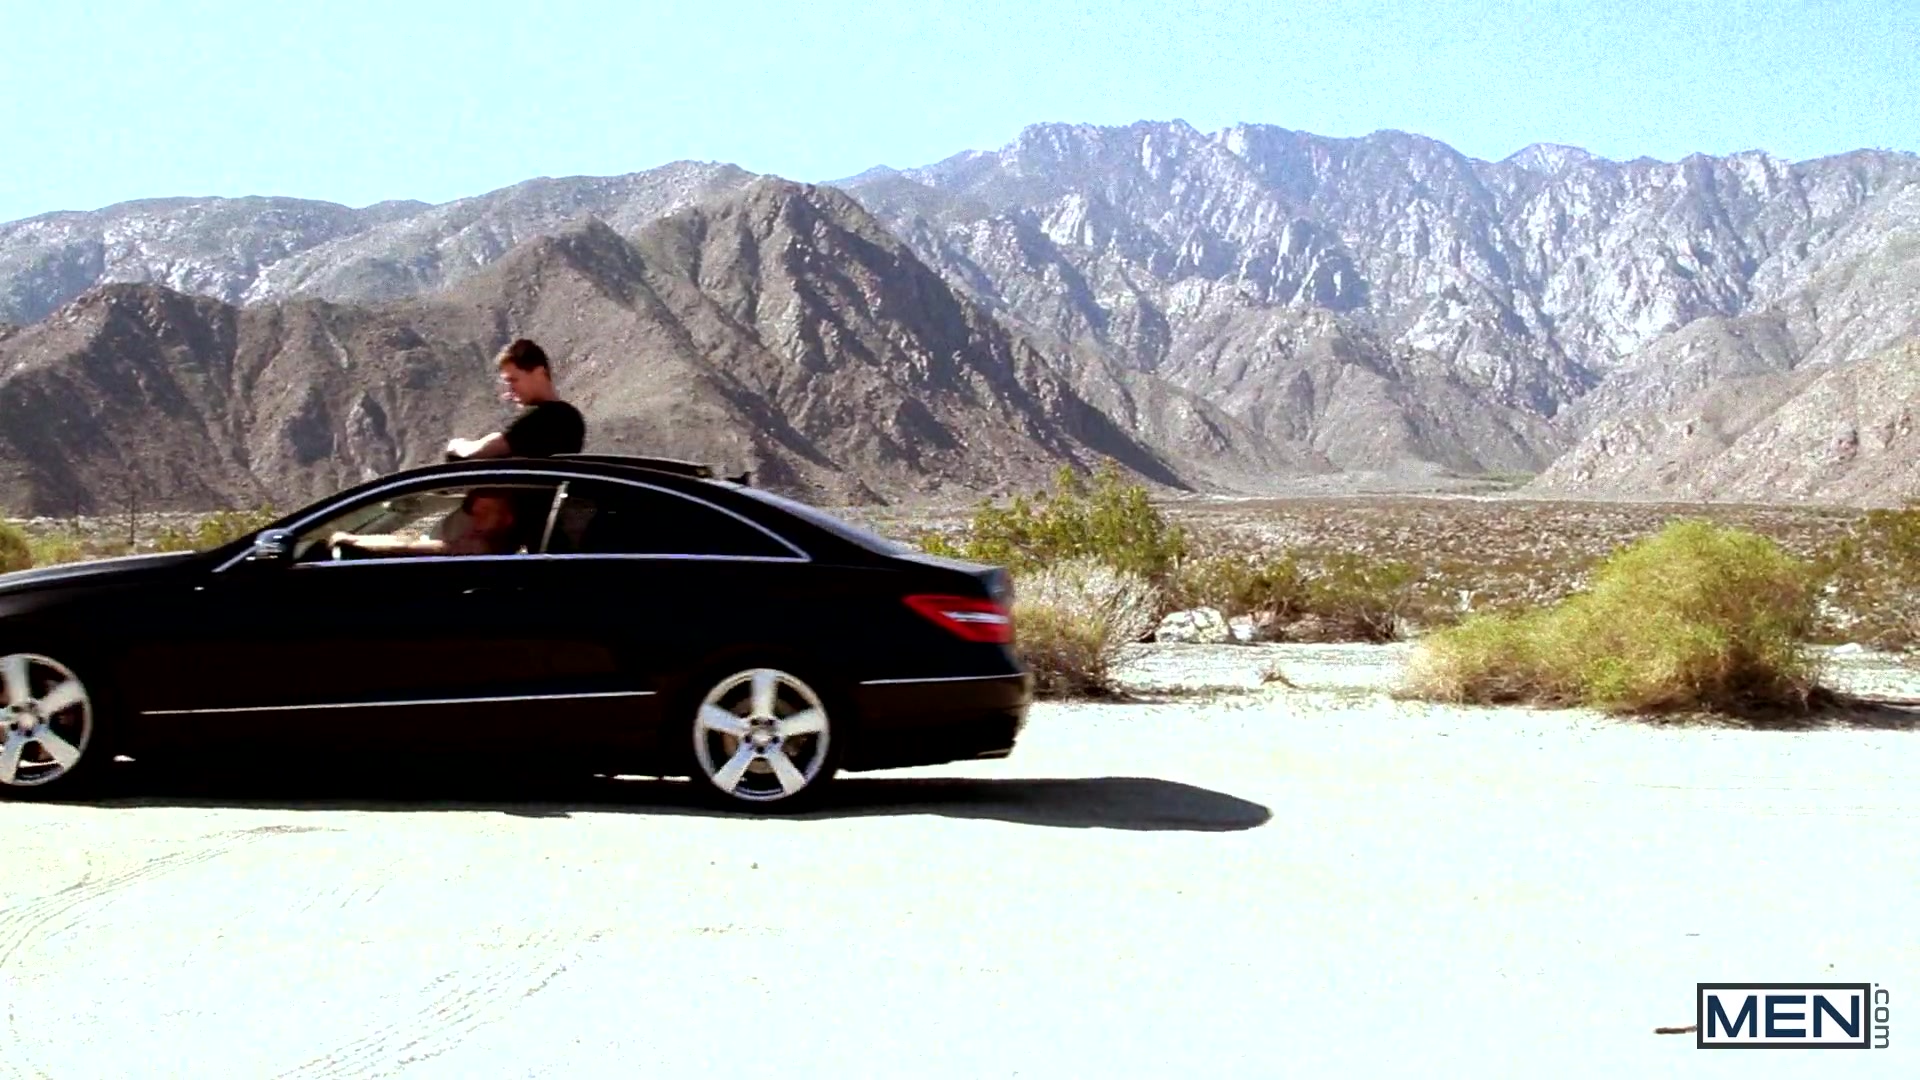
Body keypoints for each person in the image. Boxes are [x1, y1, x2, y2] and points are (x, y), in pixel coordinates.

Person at [445, 339, 586, 461]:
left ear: (539, 373)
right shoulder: (567, 417)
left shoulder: (552, 416)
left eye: (514, 380)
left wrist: (457, 446)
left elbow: (483, 451)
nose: (510, 390)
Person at [329, 489, 523, 557]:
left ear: (508, 518)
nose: (475, 519)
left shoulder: (483, 549)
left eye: (486, 512)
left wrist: (353, 541)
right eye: (473, 511)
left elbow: (416, 547)